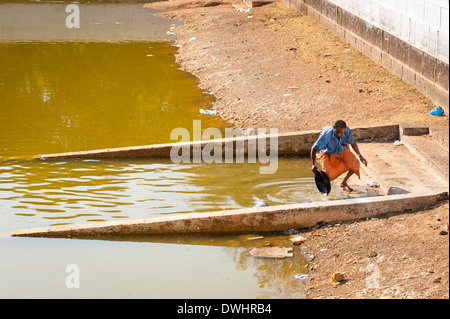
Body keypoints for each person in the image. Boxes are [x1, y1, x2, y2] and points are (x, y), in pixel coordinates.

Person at [310, 120, 368, 192]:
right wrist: (312, 164)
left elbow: (353, 143)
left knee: (355, 163)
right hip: (327, 153)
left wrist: (360, 156)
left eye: (341, 133)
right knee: (328, 176)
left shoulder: (347, 130)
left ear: (344, 129)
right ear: (334, 127)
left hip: (341, 150)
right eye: (337, 132)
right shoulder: (326, 134)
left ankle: (344, 182)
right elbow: (314, 148)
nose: (339, 135)